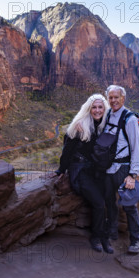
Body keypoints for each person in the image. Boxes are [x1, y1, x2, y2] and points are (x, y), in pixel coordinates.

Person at [56, 94, 113, 253]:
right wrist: (61, 170)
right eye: (94, 107)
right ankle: (96, 237)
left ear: (104, 109)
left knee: (109, 198)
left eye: (100, 107)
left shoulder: (104, 125)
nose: (97, 110)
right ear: (88, 109)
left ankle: (105, 236)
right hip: (80, 170)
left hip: (96, 170)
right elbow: (67, 150)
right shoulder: (79, 125)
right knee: (99, 202)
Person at [102, 85, 139, 254]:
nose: (113, 100)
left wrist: (133, 174)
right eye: (110, 97)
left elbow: (136, 148)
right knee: (109, 202)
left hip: (123, 169)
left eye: (116, 97)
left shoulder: (130, 119)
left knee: (129, 205)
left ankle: (135, 240)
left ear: (123, 98)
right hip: (108, 168)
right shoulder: (107, 114)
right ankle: (112, 233)